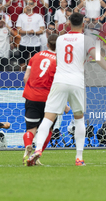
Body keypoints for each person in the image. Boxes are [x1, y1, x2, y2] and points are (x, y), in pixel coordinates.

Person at [27, 12, 106, 166]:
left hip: (60, 80)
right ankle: (79, 158)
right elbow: (96, 56)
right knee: (79, 119)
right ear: (83, 24)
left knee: (48, 118)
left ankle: (38, 149)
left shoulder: (60, 39)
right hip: (76, 81)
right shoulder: (86, 39)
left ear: (68, 23)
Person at [22, 34, 70, 165]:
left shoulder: (35, 56)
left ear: (47, 44)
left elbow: (26, 77)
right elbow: (60, 83)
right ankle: (37, 155)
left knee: (30, 130)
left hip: (32, 97)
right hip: (50, 99)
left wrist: (31, 90)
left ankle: (28, 145)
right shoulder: (60, 61)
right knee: (47, 129)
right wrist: (64, 103)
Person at [16, 0, 45, 70]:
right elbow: (18, 30)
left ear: (34, 5)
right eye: (27, 3)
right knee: (22, 64)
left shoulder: (38, 16)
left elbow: (42, 30)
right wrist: (28, 32)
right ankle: (20, 79)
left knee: (35, 65)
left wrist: (34, 32)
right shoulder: (21, 16)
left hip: (35, 44)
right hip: (24, 43)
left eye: (31, 3)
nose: (29, 5)